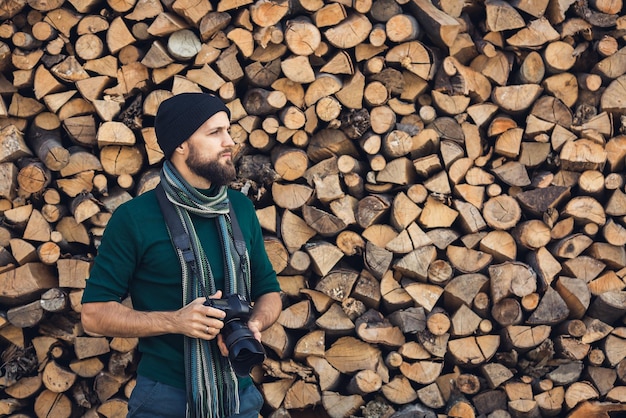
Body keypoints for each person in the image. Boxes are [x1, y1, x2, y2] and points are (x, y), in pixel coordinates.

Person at [81, 92, 283, 418]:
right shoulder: (134, 218)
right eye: (214, 133)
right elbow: (93, 314)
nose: (229, 142)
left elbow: (268, 291)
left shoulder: (241, 209)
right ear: (180, 145)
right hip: (165, 399)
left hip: (239, 395)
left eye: (228, 131)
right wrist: (175, 321)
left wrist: (255, 323)